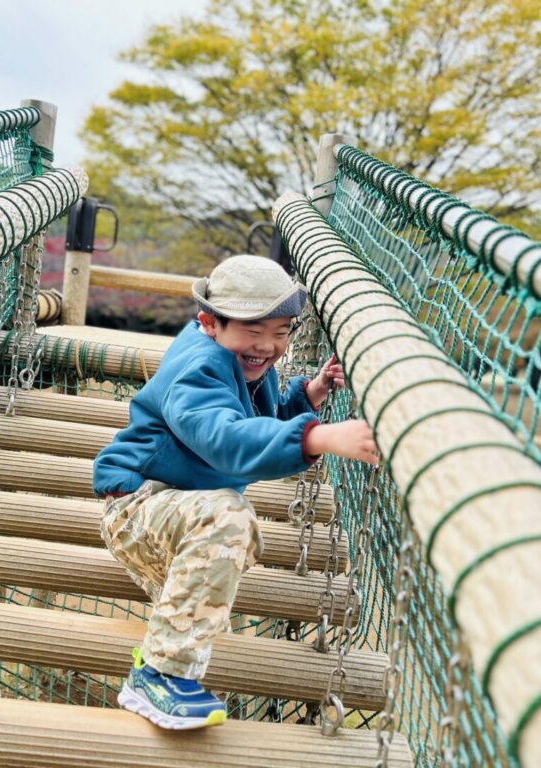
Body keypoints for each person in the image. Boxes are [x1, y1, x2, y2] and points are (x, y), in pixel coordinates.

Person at [92, 254, 378, 730]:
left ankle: (172, 648)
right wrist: (318, 437)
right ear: (209, 322)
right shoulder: (199, 368)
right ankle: (158, 676)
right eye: (253, 330)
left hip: (175, 509)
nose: (267, 345)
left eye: (281, 332)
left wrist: (309, 395)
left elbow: (257, 415)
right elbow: (224, 436)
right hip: (138, 508)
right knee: (229, 516)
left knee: (227, 556)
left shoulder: (242, 361)